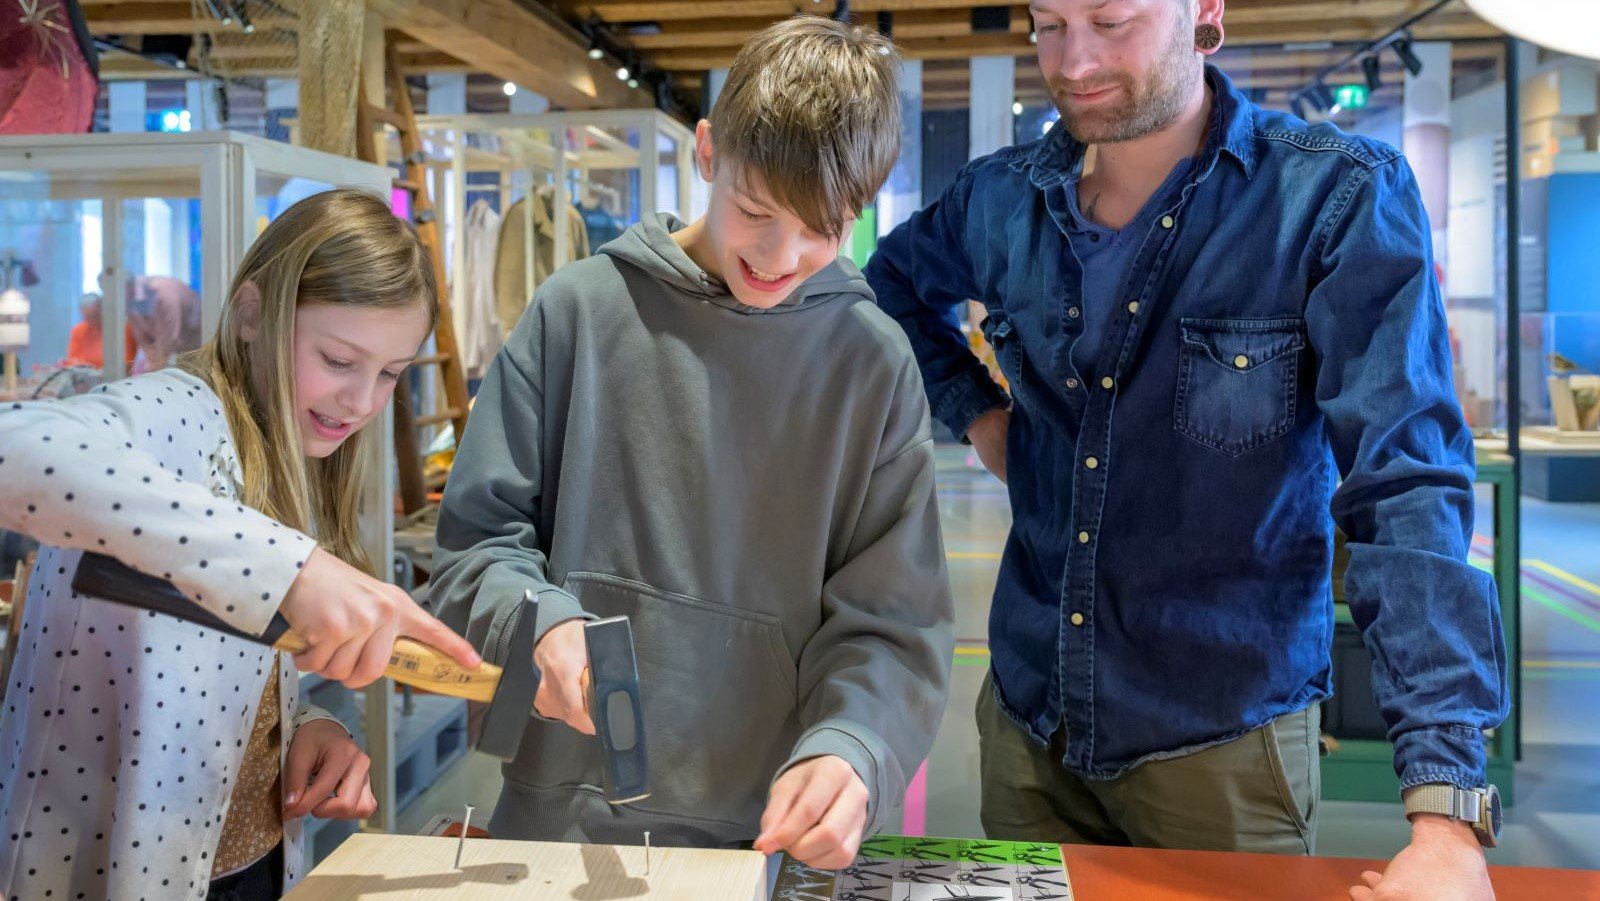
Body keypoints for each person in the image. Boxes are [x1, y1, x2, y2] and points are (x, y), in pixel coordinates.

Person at [864, 1, 1507, 899]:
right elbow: (892, 284)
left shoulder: (1332, 196)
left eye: (1110, 19)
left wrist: (1445, 818)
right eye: (1049, 24)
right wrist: (978, 412)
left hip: (1221, 742)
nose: (1073, 61)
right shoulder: (1001, 198)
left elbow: (1406, 481)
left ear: (1203, 10)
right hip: (1030, 723)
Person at [429, 16, 953, 871]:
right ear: (708, 152)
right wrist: (537, 620)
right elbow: (475, 545)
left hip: (764, 839)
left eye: (821, 229)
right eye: (755, 211)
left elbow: (894, 622)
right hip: (559, 818)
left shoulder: (872, 363)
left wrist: (853, 744)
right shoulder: (578, 313)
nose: (781, 257)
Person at [0, 188, 482, 900]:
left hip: (249, 863)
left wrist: (303, 726)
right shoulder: (177, 410)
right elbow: (15, 447)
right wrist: (293, 569)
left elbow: (211, 663)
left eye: (388, 373)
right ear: (253, 313)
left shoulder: (282, 448)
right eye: (338, 359)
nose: (362, 402)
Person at [124, 274, 204, 374]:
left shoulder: (164, 294)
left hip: (196, 345)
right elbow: (143, 338)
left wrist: (156, 367)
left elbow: (171, 338)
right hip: (176, 351)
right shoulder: (129, 301)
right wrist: (153, 364)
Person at [64, 291, 136, 370]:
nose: (92, 321)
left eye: (94, 315)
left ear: (104, 310)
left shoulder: (123, 329)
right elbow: (72, 361)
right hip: (88, 376)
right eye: (87, 316)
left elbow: (128, 361)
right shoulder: (79, 330)